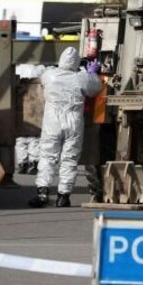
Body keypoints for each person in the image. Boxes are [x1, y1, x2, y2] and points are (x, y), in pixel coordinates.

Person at [29, 46, 102, 208]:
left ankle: (42, 193)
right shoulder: (81, 77)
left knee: (48, 156)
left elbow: (37, 72)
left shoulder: (50, 75)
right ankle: (63, 196)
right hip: (74, 121)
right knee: (69, 159)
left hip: (52, 122)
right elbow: (95, 88)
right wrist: (92, 72)